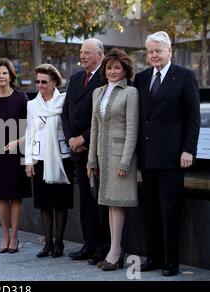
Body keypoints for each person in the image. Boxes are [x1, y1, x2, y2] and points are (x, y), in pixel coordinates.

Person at [134, 31, 200, 276]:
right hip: (148, 155)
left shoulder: (184, 76)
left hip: (173, 156)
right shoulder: (140, 79)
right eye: (150, 51)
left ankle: (171, 262)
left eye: (158, 51)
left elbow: (193, 118)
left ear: (169, 51)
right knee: (149, 209)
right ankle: (153, 257)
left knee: (170, 210)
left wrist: (188, 150)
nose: (154, 55)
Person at [87, 48, 139, 271]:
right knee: (109, 203)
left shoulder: (131, 93)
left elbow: (132, 129)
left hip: (119, 158)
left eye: (117, 67)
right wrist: (91, 160)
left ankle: (115, 251)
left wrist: (126, 161)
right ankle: (114, 249)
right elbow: (94, 127)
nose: (113, 71)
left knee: (117, 204)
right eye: (109, 67)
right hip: (102, 156)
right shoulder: (97, 92)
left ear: (125, 70)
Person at [61, 38, 110, 264]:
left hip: (98, 150)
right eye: (81, 52)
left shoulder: (107, 76)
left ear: (100, 55)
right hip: (78, 151)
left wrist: (84, 137)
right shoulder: (76, 78)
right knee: (85, 202)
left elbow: (105, 114)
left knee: (100, 201)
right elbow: (66, 113)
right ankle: (88, 244)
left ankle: (103, 247)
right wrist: (71, 138)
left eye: (87, 53)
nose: (82, 56)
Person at [0, 58, 31, 254]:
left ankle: (15, 236)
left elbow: (29, 127)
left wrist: (18, 144)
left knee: (16, 197)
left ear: (11, 76)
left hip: (16, 152)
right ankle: (4, 236)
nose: (1, 76)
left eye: (5, 73)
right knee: (1, 197)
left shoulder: (21, 97)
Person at [25, 64, 74, 258]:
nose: (39, 85)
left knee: (60, 203)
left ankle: (59, 242)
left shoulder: (64, 101)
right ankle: (47, 242)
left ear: (54, 82)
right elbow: (29, 133)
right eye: (37, 81)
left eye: (44, 82)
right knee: (44, 204)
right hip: (40, 159)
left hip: (62, 158)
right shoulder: (31, 105)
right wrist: (28, 161)